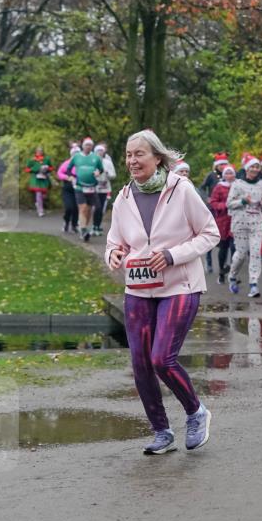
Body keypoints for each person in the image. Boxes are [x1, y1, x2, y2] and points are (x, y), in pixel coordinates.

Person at [105, 129, 219, 454]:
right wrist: (112, 253)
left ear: (157, 158)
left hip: (180, 285)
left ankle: (196, 412)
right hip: (138, 288)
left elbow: (211, 233)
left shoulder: (181, 190)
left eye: (139, 154)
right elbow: (116, 240)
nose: (132, 161)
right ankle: (161, 432)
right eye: (128, 155)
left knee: (161, 359)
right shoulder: (124, 197)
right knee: (141, 363)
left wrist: (172, 255)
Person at [227, 156, 262, 297]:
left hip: (257, 223)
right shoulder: (237, 184)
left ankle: (254, 284)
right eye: (252, 166)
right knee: (241, 254)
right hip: (240, 224)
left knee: (256, 253)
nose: (255, 169)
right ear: (246, 168)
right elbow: (229, 204)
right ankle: (232, 276)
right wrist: (243, 201)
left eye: (257, 167)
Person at [68, 137, 103, 240]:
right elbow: (69, 169)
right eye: (86, 145)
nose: (88, 147)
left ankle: (84, 227)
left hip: (92, 187)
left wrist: (98, 172)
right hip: (79, 186)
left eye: (90, 145)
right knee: (82, 208)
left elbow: (101, 169)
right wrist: (71, 176)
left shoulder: (96, 157)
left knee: (89, 209)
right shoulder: (76, 157)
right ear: (83, 146)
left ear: (92, 146)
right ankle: (83, 230)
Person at [209, 164, 236, 283]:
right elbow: (213, 202)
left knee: (235, 248)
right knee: (223, 248)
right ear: (224, 175)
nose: (229, 175)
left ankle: (233, 272)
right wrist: (224, 206)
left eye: (231, 173)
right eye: (227, 173)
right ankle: (221, 272)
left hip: (236, 220)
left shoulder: (238, 185)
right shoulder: (219, 187)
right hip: (223, 221)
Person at [92, 142, 117, 235]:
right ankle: (94, 225)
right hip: (95, 187)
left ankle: (98, 226)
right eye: (98, 151)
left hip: (105, 187)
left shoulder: (108, 162)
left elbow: (113, 175)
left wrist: (107, 173)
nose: (100, 153)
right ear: (95, 152)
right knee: (97, 207)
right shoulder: (92, 162)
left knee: (101, 207)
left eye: (101, 151)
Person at [56, 144, 81, 233]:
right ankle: (66, 222)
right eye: (74, 153)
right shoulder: (66, 163)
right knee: (69, 207)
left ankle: (74, 225)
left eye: (77, 153)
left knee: (76, 208)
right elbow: (59, 173)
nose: (76, 155)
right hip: (68, 188)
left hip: (78, 188)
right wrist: (67, 177)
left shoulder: (82, 163)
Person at [24, 146, 54, 217]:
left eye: (41, 151)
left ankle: (38, 203)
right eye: (38, 151)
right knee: (38, 193)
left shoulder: (46, 159)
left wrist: (47, 169)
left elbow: (51, 167)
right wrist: (35, 169)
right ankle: (40, 210)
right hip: (36, 178)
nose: (40, 152)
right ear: (36, 152)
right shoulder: (32, 160)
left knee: (43, 195)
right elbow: (27, 169)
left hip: (44, 178)